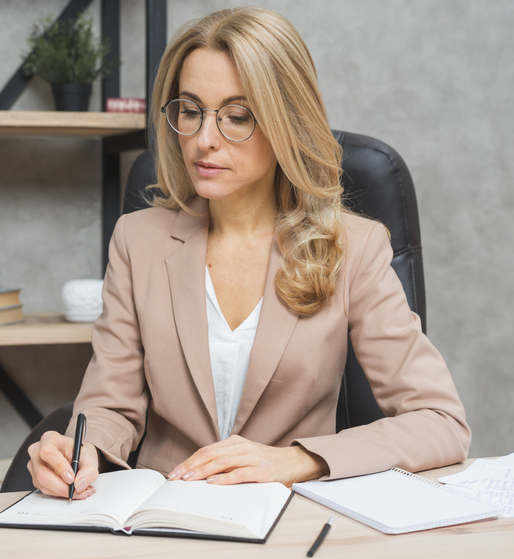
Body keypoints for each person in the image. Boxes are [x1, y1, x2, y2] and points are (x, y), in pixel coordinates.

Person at [27, 6, 471, 500]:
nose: (204, 139)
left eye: (236, 116)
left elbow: (441, 422)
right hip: (162, 520)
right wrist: (79, 451)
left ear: (287, 122)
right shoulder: (138, 240)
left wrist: (296, 460)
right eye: (191, 111)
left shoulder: (354, 248)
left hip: (291, 517)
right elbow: (110, 406)